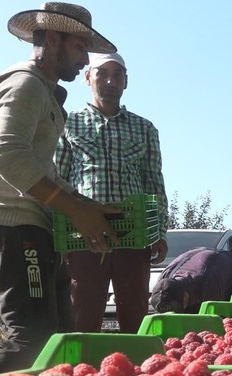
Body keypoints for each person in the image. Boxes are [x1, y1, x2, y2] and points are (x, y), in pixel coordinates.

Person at [0, 2, 121, 374]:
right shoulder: (26, 85)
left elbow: (39, 167)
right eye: (81, 47)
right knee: (30, 337)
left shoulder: (41, 90)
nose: (85, 60)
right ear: (53, 38)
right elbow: (6, 155)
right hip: (9, 224)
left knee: (60, 339)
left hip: (30, 225)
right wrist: (73, 208)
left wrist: (84, 205)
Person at [55, 51, 168, 333]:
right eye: (102, 74)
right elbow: (58, 178)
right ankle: (83, 371)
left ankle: (140, 373)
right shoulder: (68, 124)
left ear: (126, 82)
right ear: (88, 78)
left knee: (136, 313)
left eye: (117, 75)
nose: (110, 81)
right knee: (82, 311)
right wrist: (55, 236)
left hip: (134, 231)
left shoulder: (144, 128)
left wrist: (160, 233)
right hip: (83, 232)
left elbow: (154, 183)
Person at [150, 248, 232, 314]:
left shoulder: (207, 284)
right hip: (200, 256)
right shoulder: (163, 277)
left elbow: (215, 315)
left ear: (185, 295)